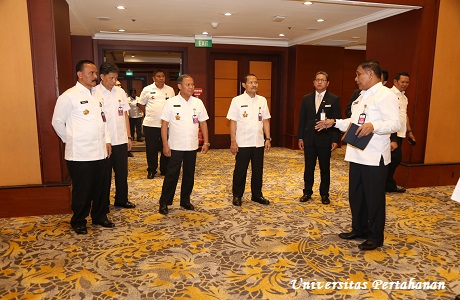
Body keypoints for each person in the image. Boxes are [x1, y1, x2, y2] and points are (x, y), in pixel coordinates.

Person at [316, 60, 400, 250]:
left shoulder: (386, 95)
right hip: (356, 154)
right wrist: (333, 122)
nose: (356, 79)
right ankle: (359, 229)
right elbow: (354, 122)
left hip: (374, 156)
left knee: (374, 197)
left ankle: (375, 236)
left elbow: (395, 124)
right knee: (357, 195)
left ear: (370, 74)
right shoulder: (361, 96)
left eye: (358, 74)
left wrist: (374, 126)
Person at [51, 59, 115, 234]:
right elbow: (57, 122)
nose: (95, 76)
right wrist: (70, 140)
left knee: (102, 187)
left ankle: (100, 216)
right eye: (91, 73)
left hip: (101, 152)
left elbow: (104, 120)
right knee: (83, 190)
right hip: (80, 154)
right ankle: (79, 220)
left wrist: (107, 140)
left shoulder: (97, 95)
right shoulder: (69, 96)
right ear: (80, 75)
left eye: (95, 73)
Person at [158, 74, 210, 215]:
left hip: (191, 146)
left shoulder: (197, 103)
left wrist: (206, 141)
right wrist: (165, 144)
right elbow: (164, 125)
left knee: (189, 175)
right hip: (175, 146)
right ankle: (164, 202)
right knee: (172, 175)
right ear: (179, 86)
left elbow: (203, 122)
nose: (191, 87)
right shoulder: (171, 102)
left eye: (192, 84)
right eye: (188, 84)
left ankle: (185, 200)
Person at [95, 62, 136, 210]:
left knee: (122, 173)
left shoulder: (120, 92)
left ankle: (121, 199)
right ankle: (103, 203)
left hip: (120, 139)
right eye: (111, 78)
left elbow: (125, 114)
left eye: (115, 78)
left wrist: (129, 137)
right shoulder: (94, 92)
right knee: (104, 175)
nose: (114, 81)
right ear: (102, 76)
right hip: (103, 141)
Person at [227, 74, 272, 207]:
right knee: (240, 170)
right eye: (251, 82)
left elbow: (265, 120)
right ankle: (237, 195)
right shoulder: (237, 101)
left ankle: (257, 195)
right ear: (244, 85)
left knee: (258, 170)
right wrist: (233, 141)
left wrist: (268, 138)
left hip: (258, 141)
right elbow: (232, 122)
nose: (254, 85)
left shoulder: (262, 100)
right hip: (243, 142)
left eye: (256, 82)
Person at [297, 71, 342, 205]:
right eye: (317, 79)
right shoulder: (306, 98)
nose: (319, 82)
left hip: (325, 139)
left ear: (327, 83)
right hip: (309, 139)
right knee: (308, 167)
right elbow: (302, 120)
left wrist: (335, 139)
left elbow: (337, 120)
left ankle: (324, 194)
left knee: (325, 168)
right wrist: (300, 138)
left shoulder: (334, 99)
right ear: (313, 82)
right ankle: (307, 192)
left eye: (322, 80)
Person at [139, 70, 175, 179]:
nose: (161, 78)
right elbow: (141, 104)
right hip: (150, 124)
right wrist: (149, 112)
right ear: (153, 78)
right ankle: (151, 170)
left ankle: (164, 169)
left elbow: (173, 105)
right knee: (151, 149)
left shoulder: (170, 90)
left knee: (166, 146)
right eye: (158, 76)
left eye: (163, 76)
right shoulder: (147, 89)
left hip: (167, 125)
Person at [386, 72, 416, 193]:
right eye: (402, 82)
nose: (405, 84)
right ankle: (386, 183)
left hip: (401, 133)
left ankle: (387, 184)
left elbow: (404, 115)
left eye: (407, 82)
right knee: (394, 159)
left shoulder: (404, 97)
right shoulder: (389, 94)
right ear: (395, 82)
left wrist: (410, 132)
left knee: (393, 159)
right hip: (391, 133)